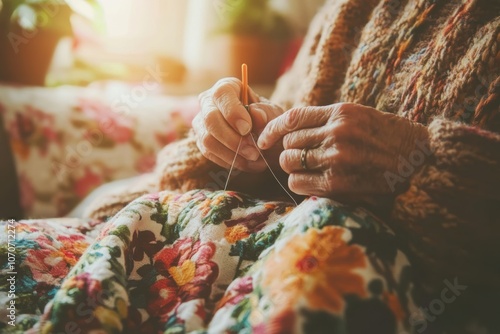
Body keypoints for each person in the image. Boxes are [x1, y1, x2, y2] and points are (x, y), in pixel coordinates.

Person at [2, 0, 499, 333]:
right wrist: (231, 139)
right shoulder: (350, 9)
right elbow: (275, 137)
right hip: (213, 244)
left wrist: (420, 164)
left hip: (325, 275)